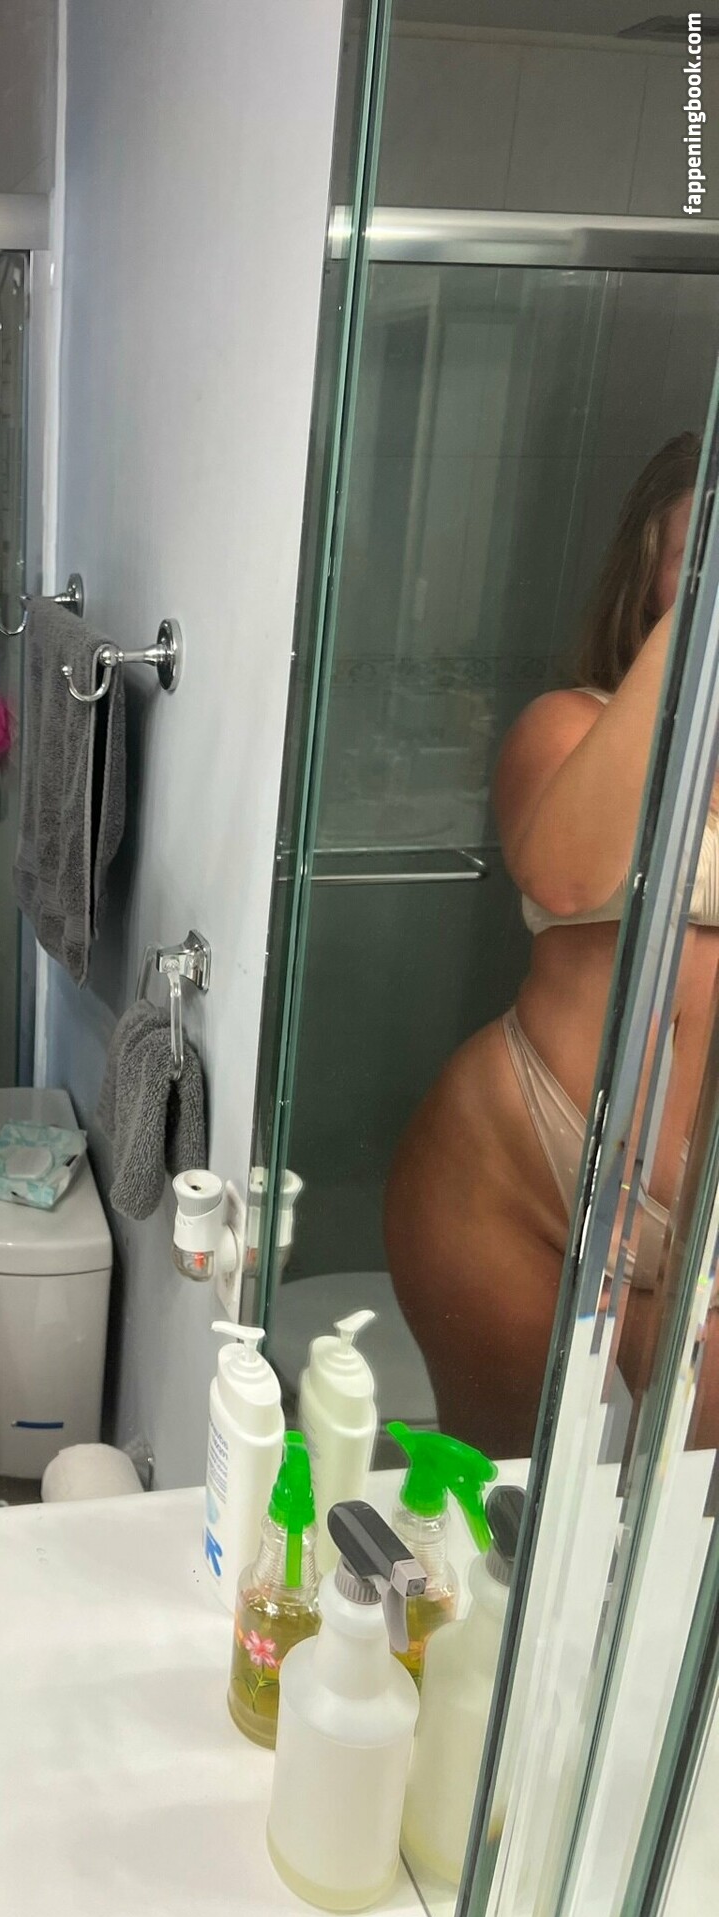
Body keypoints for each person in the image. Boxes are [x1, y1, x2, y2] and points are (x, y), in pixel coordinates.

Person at [385, 433, 715, 1459]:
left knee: (685, 1515)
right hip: (517, 1162)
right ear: (651, 571)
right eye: (697, 551)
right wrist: (699, 623)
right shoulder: (571, 724)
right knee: (497, 1490)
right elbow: (566, 875)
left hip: (700, 1210)